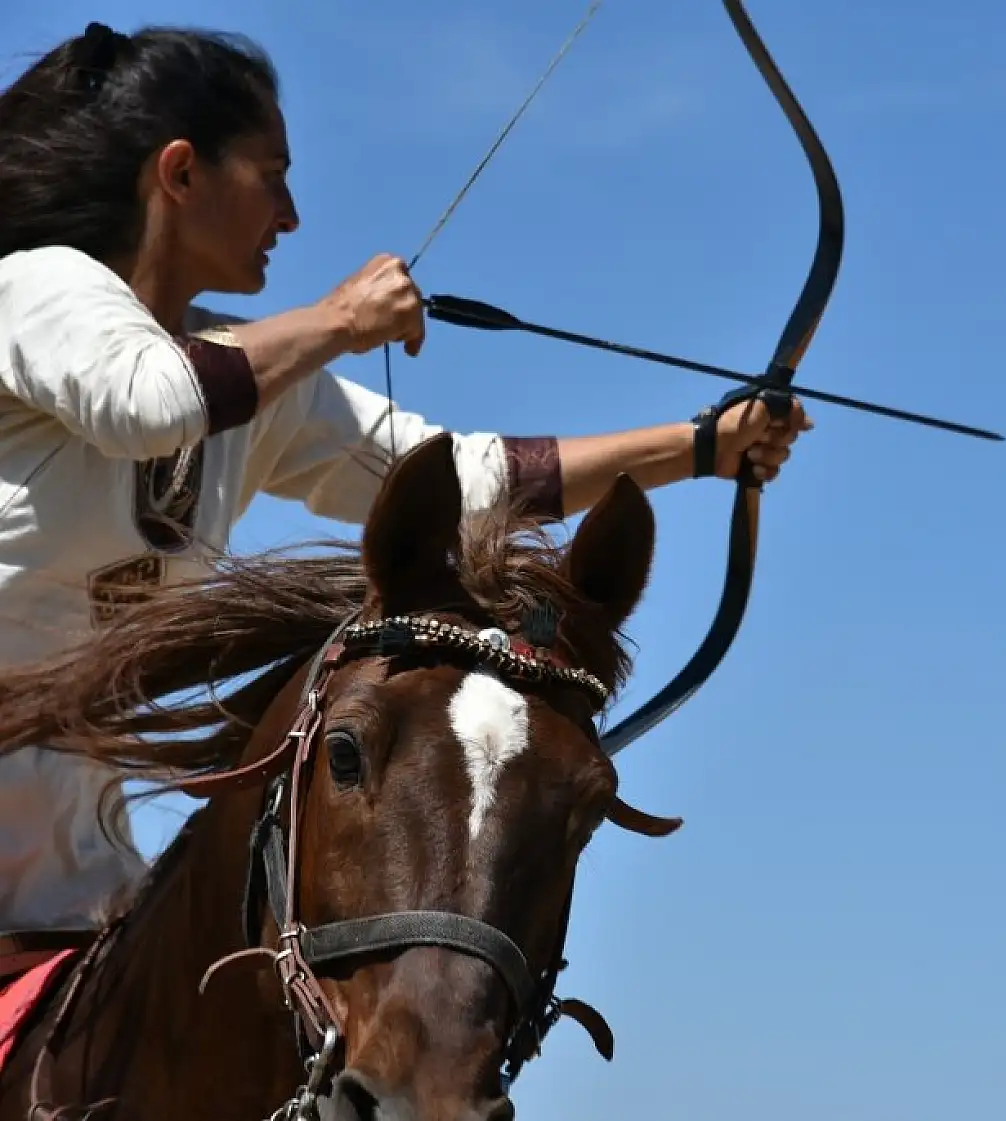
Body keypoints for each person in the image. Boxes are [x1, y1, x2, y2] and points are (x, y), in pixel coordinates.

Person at [0, 20, 811, 963]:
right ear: (180, 174)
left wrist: (703, 447)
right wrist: (343, 319)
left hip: (70, 900)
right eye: (272, 173)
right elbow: (147, 402)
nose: (293, 214)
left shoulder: (261, 385)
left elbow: (474, 482)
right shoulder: (35, 290)